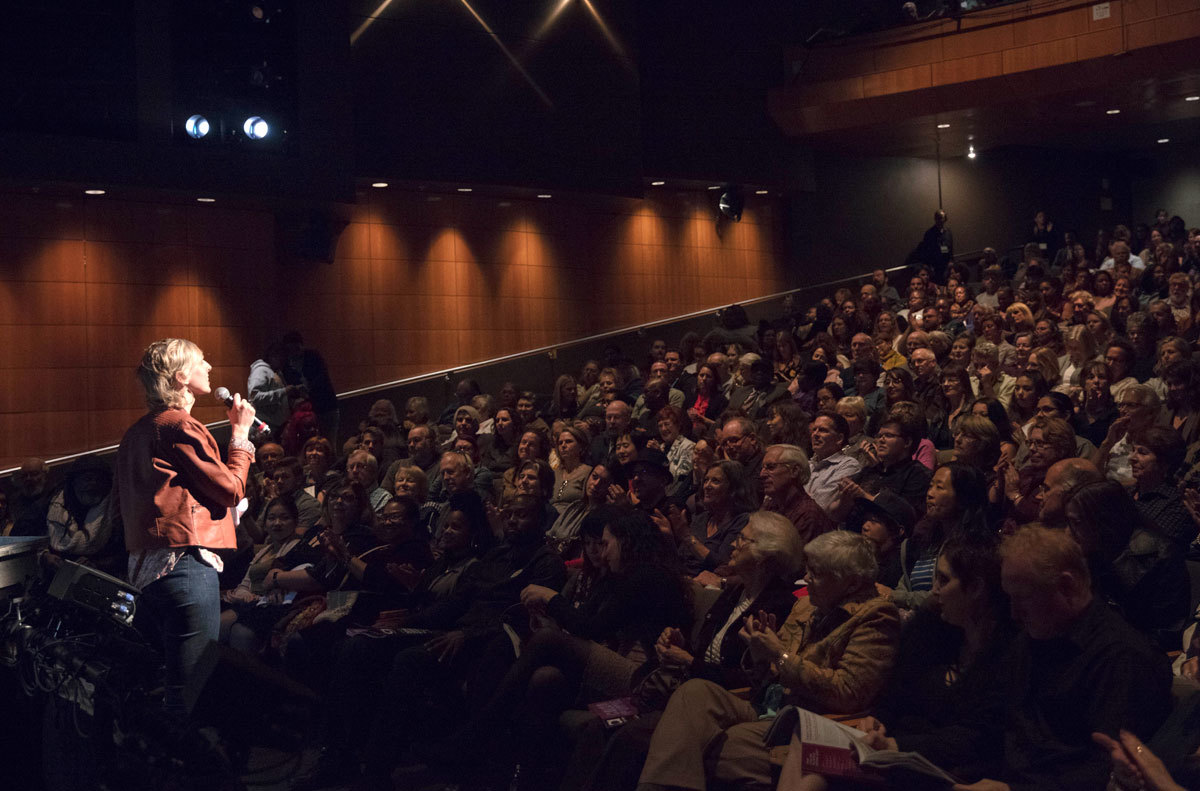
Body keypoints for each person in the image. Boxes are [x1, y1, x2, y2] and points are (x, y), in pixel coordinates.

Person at [636, 531, 900, 791]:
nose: (806, 579)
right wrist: (760, 655)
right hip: (767, 703)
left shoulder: (876, 617)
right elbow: (767, 674)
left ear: (852, 584)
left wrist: (779, 656)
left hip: (805, 721)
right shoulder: (807, 605)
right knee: (693, 692)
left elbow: (848, 692)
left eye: (816, 573)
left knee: (703, 744)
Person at [579, 512, 804, 791]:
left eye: (743, 540)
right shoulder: (736, 594)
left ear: (764, 557)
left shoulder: (778, 605)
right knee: (596, 727)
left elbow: (749, 677)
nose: (733, 544)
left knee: (632, 737)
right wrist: (679, 645)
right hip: (688, 686)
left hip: (723, 699)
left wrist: (690, 663)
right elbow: (705, 652)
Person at [963, 526, 1174, 790]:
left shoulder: (1122, 658)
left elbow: (1105, 772)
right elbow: (991, 726)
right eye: (1009, 599)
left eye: (1022, 599)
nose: (1014, 614)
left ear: (1067, 586)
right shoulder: (1031, 639)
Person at [116, 338, 257, 714]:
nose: (209, 367)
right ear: (181, 377)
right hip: (185, 567)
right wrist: (241, 436)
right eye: (201, 361)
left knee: (170, 681)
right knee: (192, 685)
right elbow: (230, 489)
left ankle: (164, 764)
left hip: (148, 571)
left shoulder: (137, 433)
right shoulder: (179, 424)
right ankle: (186, 768)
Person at [1065, 480, 1190, 650]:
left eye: (1076, 523)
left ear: (1102, 521)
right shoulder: (1090, 552)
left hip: (1132, 655)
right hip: (1097, 646)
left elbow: (1166, 632)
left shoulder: (1160, 557)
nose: (1068, 532)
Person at [1130, 427, 1198, 548]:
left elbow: (1158, 548)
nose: (1131, 458)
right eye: (1133, 450)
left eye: (1142, 452)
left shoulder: (1177, 503)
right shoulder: (1127, 492)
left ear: (1165, 463)